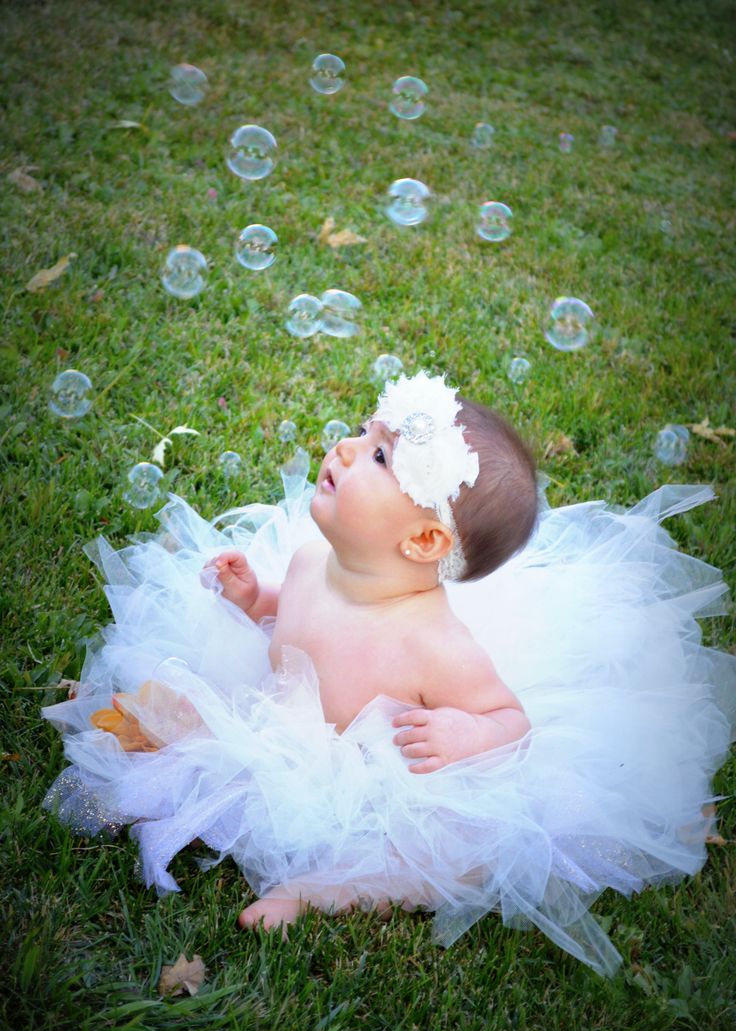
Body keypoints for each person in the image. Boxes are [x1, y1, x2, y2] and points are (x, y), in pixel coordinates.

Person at [43, 371, 736, 976]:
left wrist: (464, 733)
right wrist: (255, 599)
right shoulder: (315, 556)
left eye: (376, 454)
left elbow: (511, 719)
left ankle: (324, 892)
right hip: (275, 713)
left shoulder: (434, 644)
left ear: (425, 540)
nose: (343, 448)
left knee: (447, 852)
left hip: (366, 774)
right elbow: (292, 611)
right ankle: (129, 733)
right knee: (197, 713)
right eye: (362, 432)